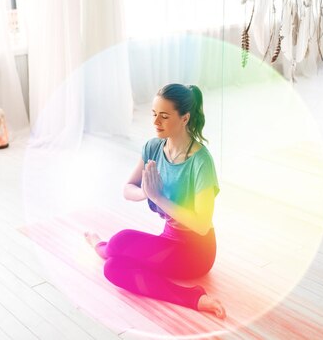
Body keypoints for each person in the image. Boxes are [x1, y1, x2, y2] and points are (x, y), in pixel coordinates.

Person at [84, 83, 226, 318]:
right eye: (153, 115)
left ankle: (193, 298)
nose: (155, 122)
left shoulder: (201, 162)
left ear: (184, 118)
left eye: (164, 116)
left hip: (197, 251)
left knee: (119, 242)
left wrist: (158, 197)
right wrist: (146, 193)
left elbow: (202, 223)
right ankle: (105, 250)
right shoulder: (153, 147)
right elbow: (128, 188)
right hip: (169, 241)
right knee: (112, 268)